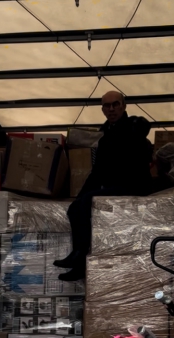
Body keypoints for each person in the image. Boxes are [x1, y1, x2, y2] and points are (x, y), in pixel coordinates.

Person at [54, 91, 153, 281]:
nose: (111, 109)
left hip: (135, 186)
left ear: (123, 105)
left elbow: (143, 127)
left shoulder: (132, 126)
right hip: (115, 187)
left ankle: (80, 254)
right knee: (76, 207)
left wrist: (87, 196)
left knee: (89, 201)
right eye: (107, 106)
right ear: (102, 109)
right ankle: (79, 263)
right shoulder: (105, 136)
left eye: (115, 104)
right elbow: (97, 172)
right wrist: (79, 196)